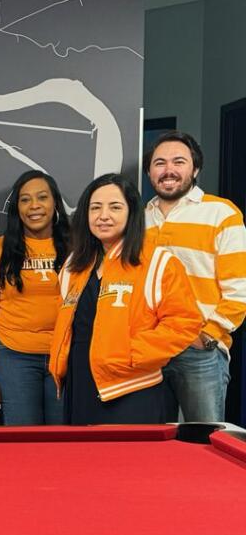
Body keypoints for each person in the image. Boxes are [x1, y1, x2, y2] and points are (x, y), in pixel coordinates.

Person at [49, 173, 202, 425]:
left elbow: (184, 323)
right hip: (79, 385)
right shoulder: (73, 266)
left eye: (115, 207)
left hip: (131, 387)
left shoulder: (158, 262)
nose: (103, 216)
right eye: (95, 208)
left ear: (132, 213)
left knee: (127, 464)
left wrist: (131, 355)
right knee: (82, 462)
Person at [143, 131, 246, 422]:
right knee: (153, 448)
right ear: (149, 172)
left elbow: (239, 289)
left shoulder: (221, 213)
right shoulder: (139, 219)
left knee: (203, 442)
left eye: (179, 161)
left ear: (195, 169)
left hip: (199, 352)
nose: (169, 170)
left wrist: (208, 335)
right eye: (159, 163)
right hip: (150, 352)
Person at [0, 170, 70, 425]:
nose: (34, 206)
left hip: (65, 358)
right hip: (14, 357)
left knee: (64, 444)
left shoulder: (77, 247)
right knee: (24, 445)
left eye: (42, 197)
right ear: (17, 208)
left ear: (55, 203)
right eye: (25, 200)